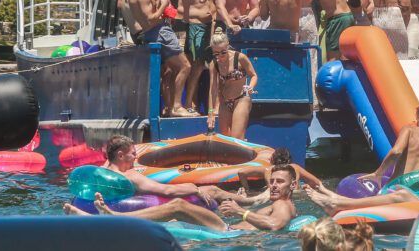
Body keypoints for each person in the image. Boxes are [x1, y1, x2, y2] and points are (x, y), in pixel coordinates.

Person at [74, 164, 298, 232]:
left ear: (293, 186)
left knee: (178, 206)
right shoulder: (278, 202)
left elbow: (275, 224)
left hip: (227, 232)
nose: (274, 185)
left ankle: (115, 217)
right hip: (228, 227)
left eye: (281, 182)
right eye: (273, 180)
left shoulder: (284, 205)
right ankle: (106, 218)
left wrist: (242, 211)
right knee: (174, 218)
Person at [64, 135, 214, 205]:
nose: (136, 157)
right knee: (212, 190)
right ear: (121, 155)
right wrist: (195, 189)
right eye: (134, 154)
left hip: (104, 212)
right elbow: (168, 191)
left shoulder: (99, 172)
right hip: (140, 211)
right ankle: (238, 200)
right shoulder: (131, 176)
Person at [129, 0, 191, 117]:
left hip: (152, 33)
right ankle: (177, 107)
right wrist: (164, 5)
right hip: (159, 31)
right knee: (185, 66)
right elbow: (150, 18)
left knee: (170, 71)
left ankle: (170, 108)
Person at [207, 32, 257, 138]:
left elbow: (253, 75)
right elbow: (213, 89)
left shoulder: (240, 58)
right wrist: (210, 113)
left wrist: (251, 86)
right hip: (225, 102)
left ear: (227, 45)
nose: (220, 56)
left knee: (237, 137)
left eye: (223, 52)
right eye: (216, 53)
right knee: (226, 139)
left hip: (241, 99)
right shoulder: (214, 64)